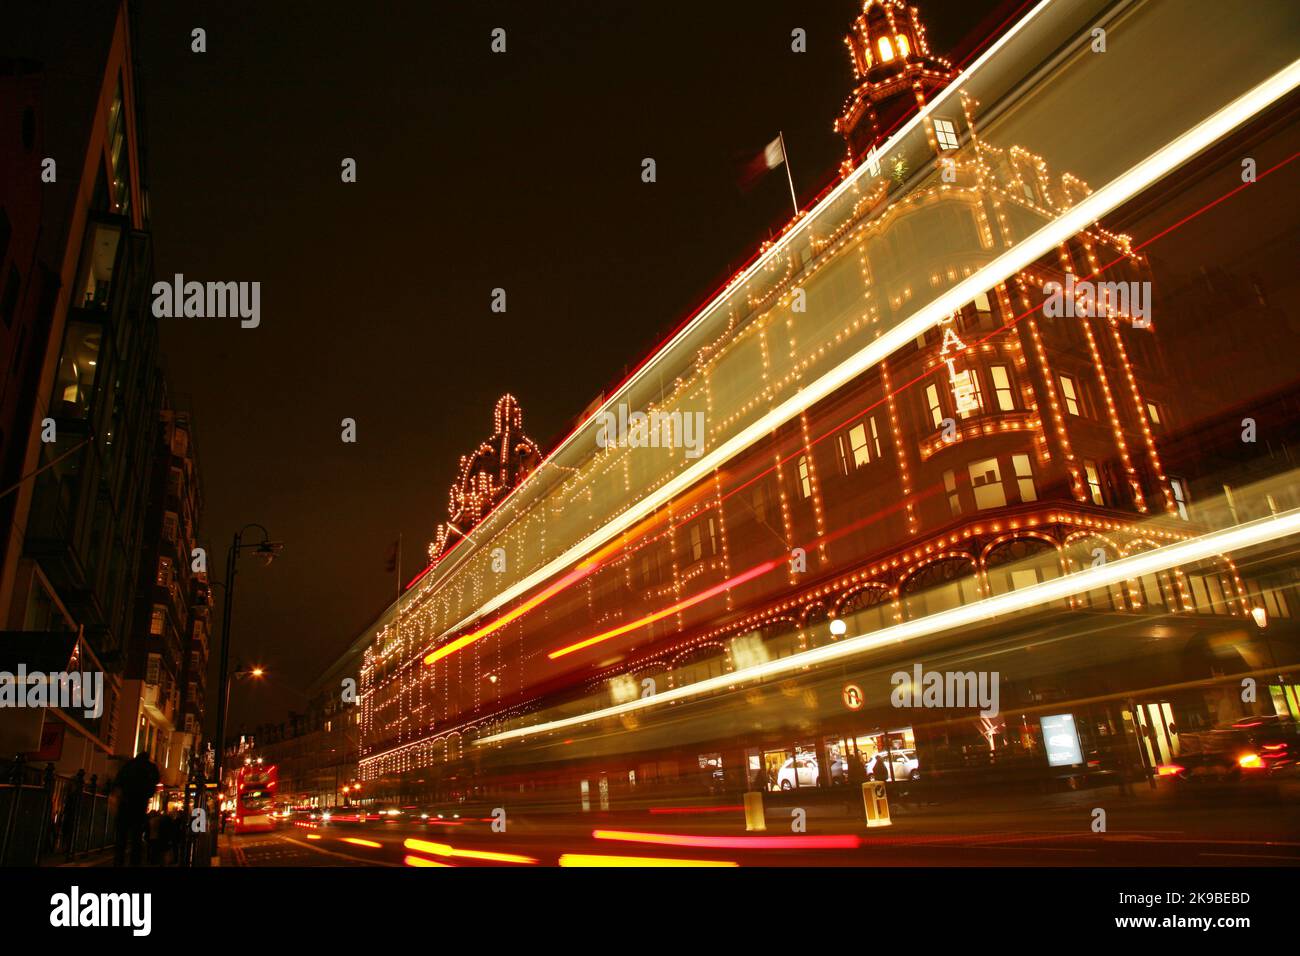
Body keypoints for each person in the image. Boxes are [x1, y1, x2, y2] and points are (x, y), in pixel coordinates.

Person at [111, 751, 160, 867]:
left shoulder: (129, 765)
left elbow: (118, 781)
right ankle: (134, 862)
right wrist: (148, 792)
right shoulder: (150, 767)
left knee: (121, 839)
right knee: (136, 838)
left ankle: (118, 862)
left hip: (125, 803)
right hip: (139, 804)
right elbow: (156, 779)